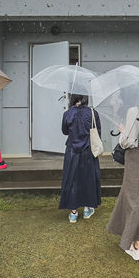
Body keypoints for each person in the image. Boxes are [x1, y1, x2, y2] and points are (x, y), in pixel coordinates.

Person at [107, 104, 139, 260]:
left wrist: (122, 131)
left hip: (136, 155)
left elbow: (126, 141)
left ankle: (135, 245)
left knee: (133, 198)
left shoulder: (134, 111)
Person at [59, 94, 102, 223]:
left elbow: (64, 131)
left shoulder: (67, 113)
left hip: (72, 150)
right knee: (88, 178)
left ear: (73, 98)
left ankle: (73, 212)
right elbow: (98, 131)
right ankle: (88, 208)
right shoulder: (93, 113)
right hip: (88, 151)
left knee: (72, 179)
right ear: (85, 98)